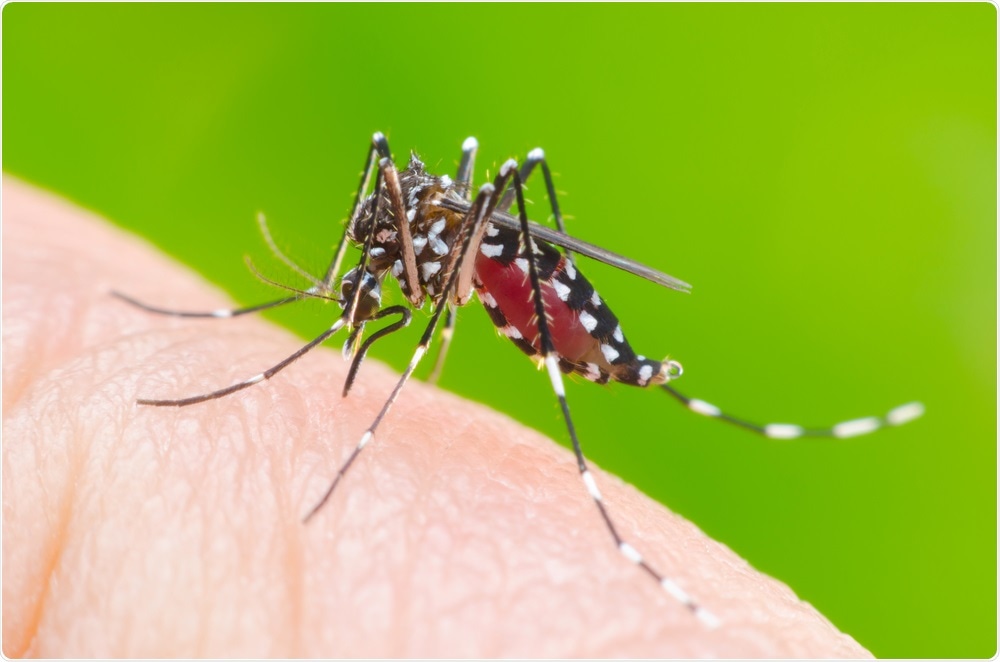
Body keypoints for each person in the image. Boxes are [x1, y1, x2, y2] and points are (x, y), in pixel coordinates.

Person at [2, 177, 870, 657]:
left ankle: (590, 464)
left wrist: (380, 405)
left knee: (494, 191)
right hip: (479, 254)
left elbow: (448, 219)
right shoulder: (394, 237)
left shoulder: (414, 240)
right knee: (450, 206)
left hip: (515, 270)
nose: (361, 303)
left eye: (355, 289)